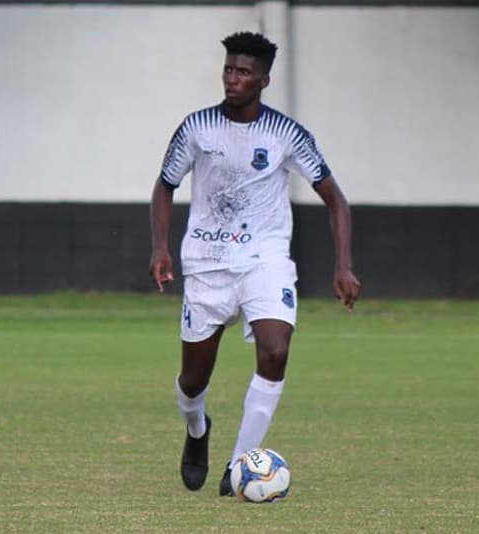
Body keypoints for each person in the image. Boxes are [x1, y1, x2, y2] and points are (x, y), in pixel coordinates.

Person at [148, 31, 360, 497]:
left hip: (264, 260)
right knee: (192, 379)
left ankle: (238, 465)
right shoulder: (197, 128)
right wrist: (160, 247)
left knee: (275, 349)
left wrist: (343, 266)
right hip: (206, 263)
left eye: (244, 72)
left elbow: (336, 200)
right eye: (228, 69)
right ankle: (197, 430)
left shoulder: (287, 134)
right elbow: (165, 185)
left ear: (264, 80)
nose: (233, 79)